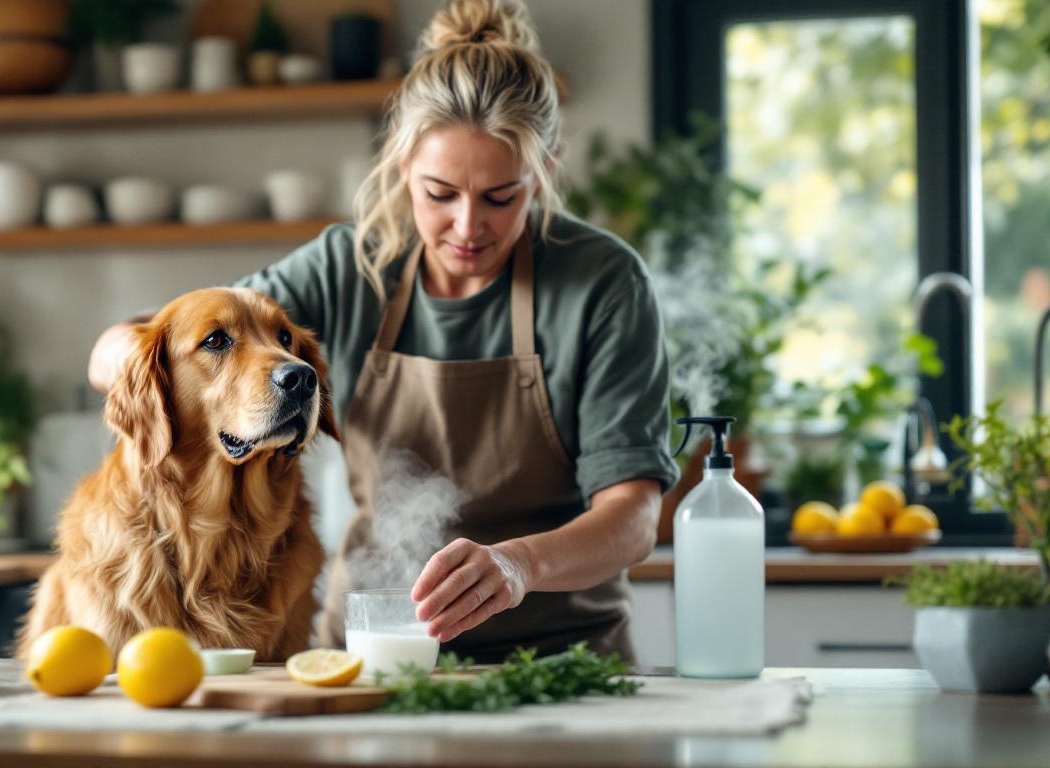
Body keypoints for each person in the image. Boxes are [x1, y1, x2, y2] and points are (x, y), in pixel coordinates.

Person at [88, 0, 678, 662]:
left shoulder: (603, 283)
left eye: (500, 197)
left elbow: (631, 518)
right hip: (374, 654)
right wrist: (131, 363)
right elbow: (151, 340)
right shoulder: (348, 266)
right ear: (402, 167)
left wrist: (519, 566)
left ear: (543, 172)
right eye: (439, 193)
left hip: (560, 660)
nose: (466, 226)